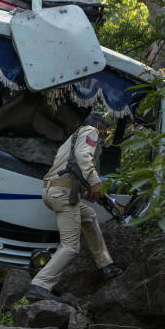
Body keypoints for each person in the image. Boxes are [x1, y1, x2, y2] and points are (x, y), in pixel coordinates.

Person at [27, 113, 122, 301]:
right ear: (98, 127)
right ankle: (39, 285)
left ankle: (106, 265)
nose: (104, 140)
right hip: (62, 194)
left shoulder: (73, 139)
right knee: (70, 246)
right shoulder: (90, 131)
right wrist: (96, 183)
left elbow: (72, 169)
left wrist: (87, 193)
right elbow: (83, 157)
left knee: (89, 217)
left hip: (54, 190)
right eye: (105, 134)